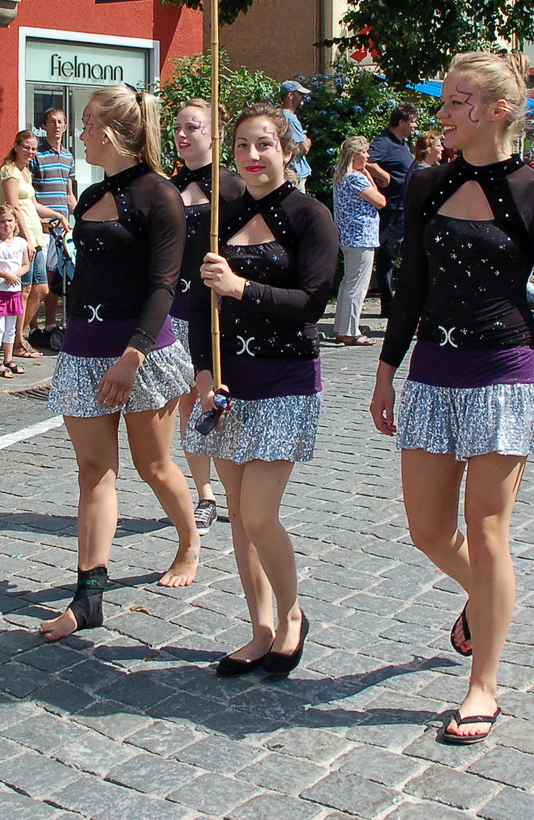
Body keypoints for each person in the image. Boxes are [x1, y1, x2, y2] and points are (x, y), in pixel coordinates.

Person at [367, 50, 534, 746]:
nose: (445, 112)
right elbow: (412, 284)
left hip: (505, 374)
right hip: (432, 370)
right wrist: (384, 369)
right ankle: (484, 600)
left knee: (488, 535)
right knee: (428, 529)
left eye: (459, 101)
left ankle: (483, 683)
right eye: (447, 100)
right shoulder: (427, 182)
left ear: (496, 111)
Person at [41, 85, 199, 642]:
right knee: (92, 470)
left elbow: (163, 285)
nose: (77, 133)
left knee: (154, 465)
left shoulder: (161, 196)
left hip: (142, 352)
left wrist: (132, 354)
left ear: (107, 132)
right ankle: (88, 595)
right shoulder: (89, 196)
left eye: (84, 124)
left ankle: (189, 541)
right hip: (84, 348)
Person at [187, 102, 338, 677]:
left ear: (287, 149)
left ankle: (293, 614)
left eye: (265, 144)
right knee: (238, 515)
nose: (253, 156)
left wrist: (242, 287)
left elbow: (312, 303)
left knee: (258, 514)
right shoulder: (218, 217)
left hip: (286, 379)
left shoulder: (309, 216)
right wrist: (204, 376)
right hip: (229, 384)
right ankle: (259, 628)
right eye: (244, 145)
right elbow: (203, 304)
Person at [169, 100, 244, 533]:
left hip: (218, 307)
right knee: (187, 405)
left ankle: (235, 487)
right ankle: (205, 494)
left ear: (213, 134)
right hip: (177, 308)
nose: (183, 134)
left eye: (192, 127)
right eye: (178, 127)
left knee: (218, 399)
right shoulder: (170, 186)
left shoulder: (232, 187)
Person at [332, 136, 390, 342]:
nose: (367, 156)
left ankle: (342, 327)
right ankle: (350, 331)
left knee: (348, 283)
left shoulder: (340, 176)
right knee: (358, 285)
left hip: (349, 237)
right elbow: (381, 201)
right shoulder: (356, 178)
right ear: (355, 154)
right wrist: (371, 179)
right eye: (364, 152)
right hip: (361, 237)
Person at [0, 130, 49, 360]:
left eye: (34, 148)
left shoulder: (26, 171)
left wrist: (56, 215)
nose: (30, 152)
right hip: (22, 236)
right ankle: (16, 341)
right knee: (24, 290)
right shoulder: (9, 171)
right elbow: (14, 206)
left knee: (41, 289)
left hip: (35, 234)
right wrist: (27, 238)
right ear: (17, 146)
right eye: (27, 147)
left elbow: (32, 204)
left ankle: (20, 334)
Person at [367, 105, 418, 318]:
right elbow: (366, 160)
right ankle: (388, 305)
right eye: (413, 122)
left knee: (407, 257)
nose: (415, 126)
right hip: (391, 211)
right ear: (402, 122)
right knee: (387, 259)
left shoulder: (404, 143)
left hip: (404, 209)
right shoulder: (384, 142)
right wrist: (383, 176)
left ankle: (400, 301)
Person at [31, 108, 76, 335]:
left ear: (66, 126)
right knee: (39, 280)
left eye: (60, 122)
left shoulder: (68, 156)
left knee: (57, 279)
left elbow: (69, 194)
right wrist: (38, 220)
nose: (56, 125)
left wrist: (82, 216)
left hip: (62, 227)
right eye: (52, 122)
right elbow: (28, 192)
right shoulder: (36, 154)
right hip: (42, 226)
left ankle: (50, 324)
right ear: (44, 126)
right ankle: (32, 328)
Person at [0, 205, 32, 378]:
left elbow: (26, 264)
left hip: (14, 290)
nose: (6, 224)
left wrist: (16, 275)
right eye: (2, 221)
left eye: (10, 221)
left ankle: (8, 359)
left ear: (15, 222)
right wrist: (5, 274)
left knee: (11, 328)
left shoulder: (21, 243)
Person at [278, 80, 313, 189]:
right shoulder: (291, 118)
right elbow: (304, 148)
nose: (303, 97)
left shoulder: (279, 115)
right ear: (290, 95)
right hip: (295, 173)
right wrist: (308, 141)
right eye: (300, 94)